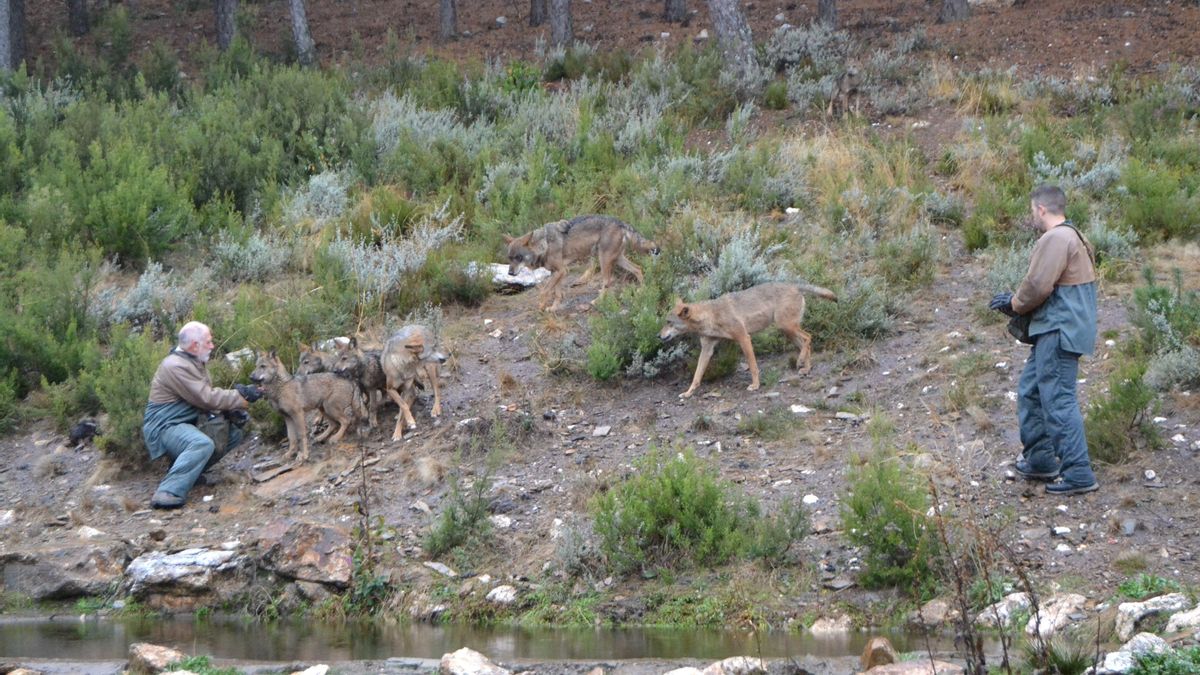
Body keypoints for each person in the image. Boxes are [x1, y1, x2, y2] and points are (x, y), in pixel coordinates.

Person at [990, 185, 1099, 495]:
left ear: (1040, 209)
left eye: (1031, 211)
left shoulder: (1055, 238)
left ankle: (1078, 472)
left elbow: (1038, 286)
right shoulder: (1075, 236)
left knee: (1059, 400)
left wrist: (1013, 304)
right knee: (1031, 391)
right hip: (1059, 330)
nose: (1032, 216)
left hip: (1058, 330)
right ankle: (1040, 460)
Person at [142, 321, 263, 509]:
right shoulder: (175, 366)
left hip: (184, 422)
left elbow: (201, 399)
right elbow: (206, 398)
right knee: (201, 443)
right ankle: (168, 491)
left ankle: (189, 474)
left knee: (232, 434)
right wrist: (241, 396)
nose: (212, 346)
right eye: (208, 342)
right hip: (165, 427)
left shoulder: (192, 361)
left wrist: (229, 411)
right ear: (195, 345)